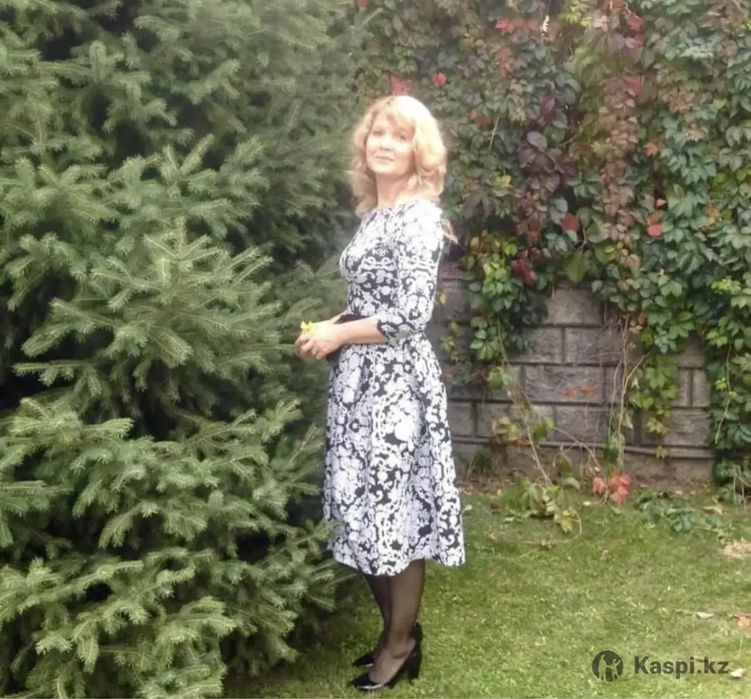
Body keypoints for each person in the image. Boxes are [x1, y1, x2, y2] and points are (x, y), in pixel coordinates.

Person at [294, 94, 466, 691]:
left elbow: (410, 315)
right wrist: (330, 327)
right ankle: (397, 632)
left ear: (419, 151)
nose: (385, 144)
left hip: (396, 388)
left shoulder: (418, 219)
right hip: (358, 383)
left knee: (395, 510)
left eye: (399, 135)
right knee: (358, 507)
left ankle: (399, 643)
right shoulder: (375, 215)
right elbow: (372, 302)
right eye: (378, 134)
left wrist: (340, 333)